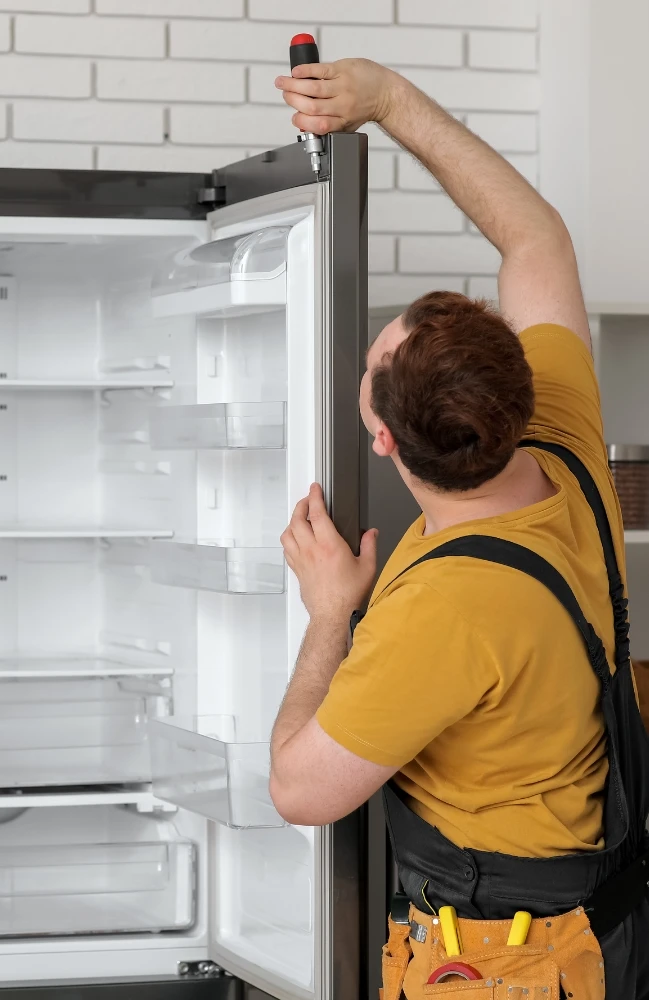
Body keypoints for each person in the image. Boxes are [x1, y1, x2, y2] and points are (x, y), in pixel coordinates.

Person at [269, 59, 649, 999]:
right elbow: (532, 236)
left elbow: (299, 793)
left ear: (383, 439)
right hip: (593, 925)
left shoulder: (447, 611)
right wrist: (389, 100)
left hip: (504, 964)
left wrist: (328, 614)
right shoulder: (559, 439)